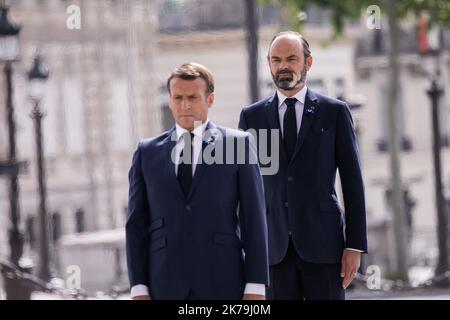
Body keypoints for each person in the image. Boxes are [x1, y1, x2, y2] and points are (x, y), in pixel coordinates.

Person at [238, 31, 367, 300]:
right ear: (269, 64)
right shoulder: (252, 117)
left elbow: (352, 182)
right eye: (276, 60)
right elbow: (243, 188)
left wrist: (354, 245)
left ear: (308, 63)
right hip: (273, 251)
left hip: (324, 246)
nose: (283, 66)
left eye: (291, 58)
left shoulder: (334, 112)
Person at [126, 62, 269, 300]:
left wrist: (255, 287)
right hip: (164, 284)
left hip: (223, 282)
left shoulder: (238, 145)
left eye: (193, 97)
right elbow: (136, 225)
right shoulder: (147, 152)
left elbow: (254, 218)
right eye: (178, 97)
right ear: (170, 100)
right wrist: (139, 288)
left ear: (210, 99)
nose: (185, 105)